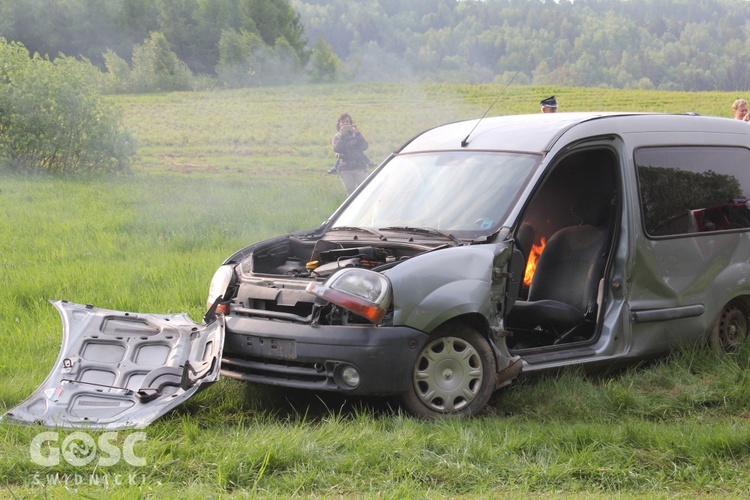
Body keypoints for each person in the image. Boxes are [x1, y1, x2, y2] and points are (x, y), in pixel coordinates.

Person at [330, 113, 372, 195]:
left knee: (365, 189)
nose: (345, 123)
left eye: (347, 122)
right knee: (350, 192)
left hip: (359, 167)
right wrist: (342, 136)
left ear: (351, 124)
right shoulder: (337, 137)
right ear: (339, 124)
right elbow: (337, 149)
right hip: (345, 169)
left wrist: (358, 134)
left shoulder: (356, 135)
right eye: (342, 122)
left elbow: (365, 146)